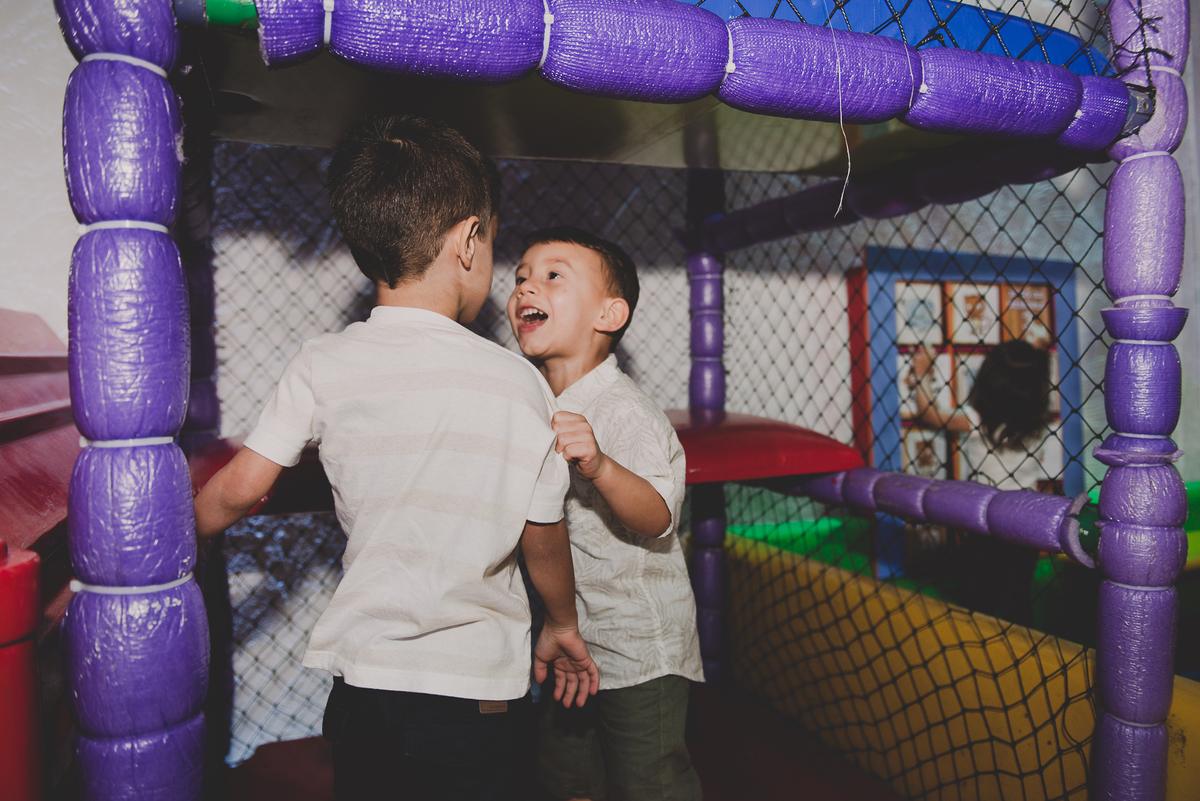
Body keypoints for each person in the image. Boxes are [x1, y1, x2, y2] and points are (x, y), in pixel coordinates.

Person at [193, 115, 598, 801]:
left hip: (365, 688)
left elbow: (239, 489)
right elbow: (543, 534)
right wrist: (561, 622)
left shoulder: (322, 361)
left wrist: (177, 540)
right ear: (468, 240)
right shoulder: (518, 381)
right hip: (475, 695)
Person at [506, 226, 703, 801]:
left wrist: (601, 466)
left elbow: (658, 516)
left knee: (649, 783)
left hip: (638, 645)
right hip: (571, 637)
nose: (526, 288)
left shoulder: (622, 409)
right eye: (521, 277)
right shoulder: (535, 402)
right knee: (566, 778)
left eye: (553, 276)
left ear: (609, 314)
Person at [909, 340, 1054, 626]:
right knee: (1016, 600)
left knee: (976, 601)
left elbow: (930, 414)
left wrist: (922, 373)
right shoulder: (1038, 423)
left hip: (985, 521)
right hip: (1026, 522)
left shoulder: (980, 420)